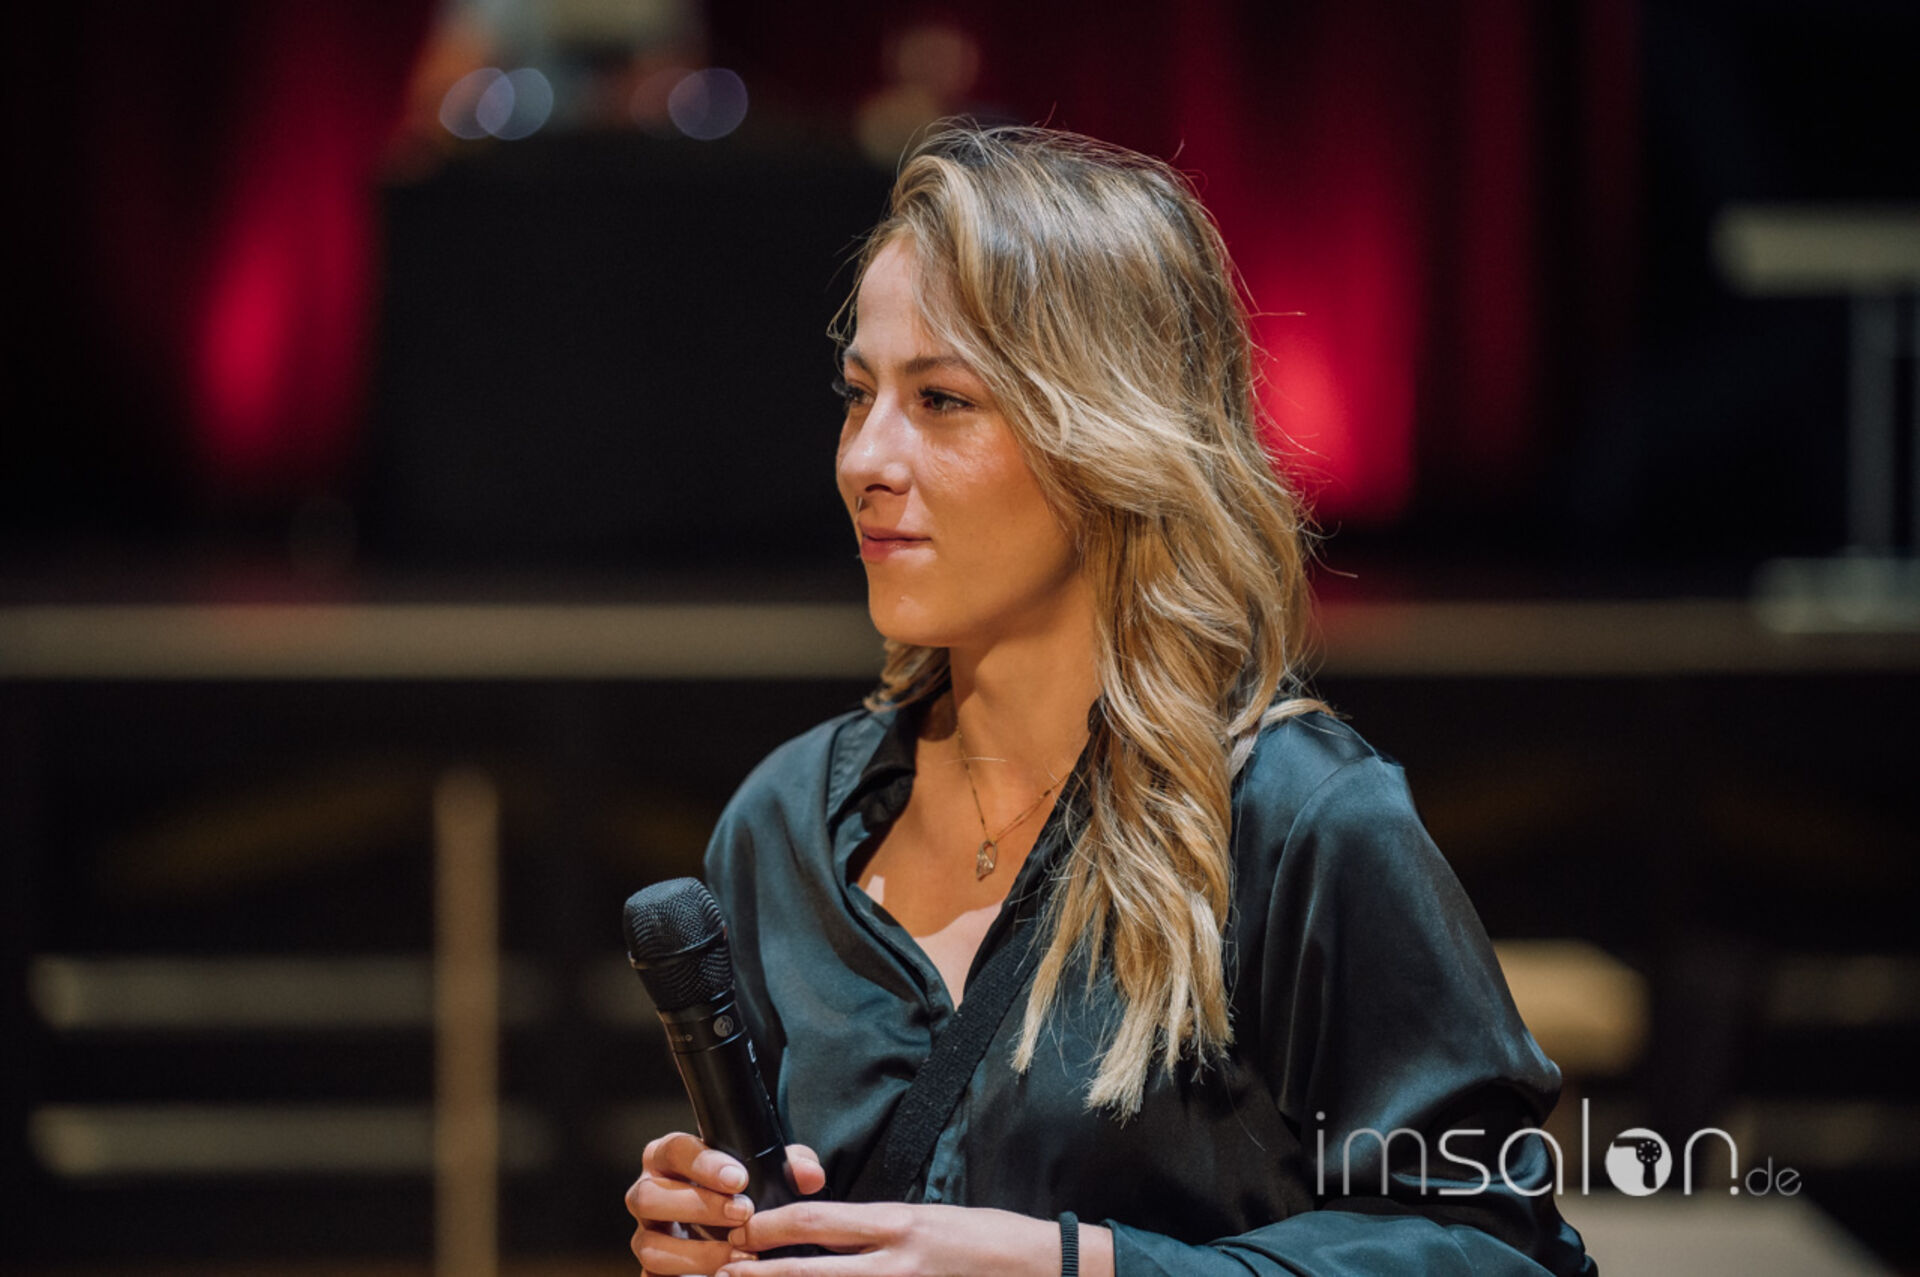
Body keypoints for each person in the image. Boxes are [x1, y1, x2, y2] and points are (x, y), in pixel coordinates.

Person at [625, 123, 1596, 1276]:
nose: (864, 458)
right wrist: (711, 1231)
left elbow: (1496, 1251)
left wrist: (1074, 1265)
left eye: (942, 399)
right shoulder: (785, 823)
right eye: (858, 393)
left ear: (1107, 436)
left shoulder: (1298, 822)